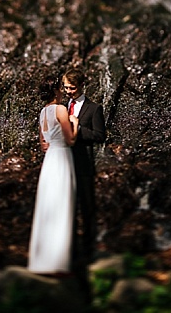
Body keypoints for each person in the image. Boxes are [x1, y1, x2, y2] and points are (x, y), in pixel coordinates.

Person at [27, 79, 77, 274]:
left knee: (48, 205)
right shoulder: (61, 110)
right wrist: (76, 123)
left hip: (49, 161)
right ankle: (57, 262)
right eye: (60, 88)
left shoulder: (42, 112)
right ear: (56, 91)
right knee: (62, 203)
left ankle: (42, 260)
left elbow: (43, 144)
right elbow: (70, 139)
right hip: (62, 156)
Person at [62, 69, 107, 266]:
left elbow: (100, 135)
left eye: (72, 88)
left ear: (81, 86)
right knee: (66, 207)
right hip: (63, 162)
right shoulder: (62, 107)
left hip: (83, 163)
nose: (68, 91)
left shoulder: (94, 108)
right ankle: (67, 248)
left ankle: (89, 250)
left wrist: (79, 128)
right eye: (65, 87)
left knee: (87, 206)